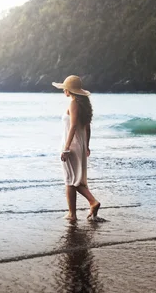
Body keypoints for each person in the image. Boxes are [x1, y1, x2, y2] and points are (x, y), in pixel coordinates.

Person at [52, 75, 100, 220]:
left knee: (70, 180)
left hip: (71, 145)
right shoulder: (83, 105)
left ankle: (90, 203)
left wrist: (66, 148)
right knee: (74, 179)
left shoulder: (73, 104)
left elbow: (73, 126)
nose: (63, 91)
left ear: (68, 90)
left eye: (64, 89)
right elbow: (87, 128)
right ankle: (73, 213)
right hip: (80, 144)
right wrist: (87, 145)